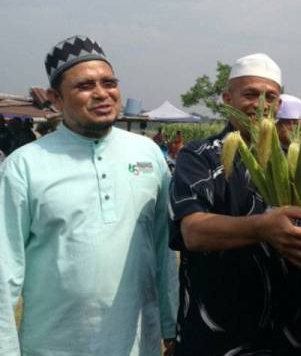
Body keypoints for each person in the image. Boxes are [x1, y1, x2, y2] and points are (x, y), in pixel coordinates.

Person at [0, 35, 178, 356]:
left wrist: (170, 324)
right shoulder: (24, 166)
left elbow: (165, 248)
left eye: (109, 82)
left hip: (138, 342)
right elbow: (4, 268)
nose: (101, 94)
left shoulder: (148, 153)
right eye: (84, 86)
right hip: (53, 345)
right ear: (56, 98)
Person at [169, 53, 301, 356]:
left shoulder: (300, 162)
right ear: (227, 98)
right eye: (250, 94)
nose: (261, 104)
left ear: (280, 105)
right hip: (215, 333)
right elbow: (193, 231)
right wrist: (263, 228)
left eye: (270, 96)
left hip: (285, 335)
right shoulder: (199, 157)